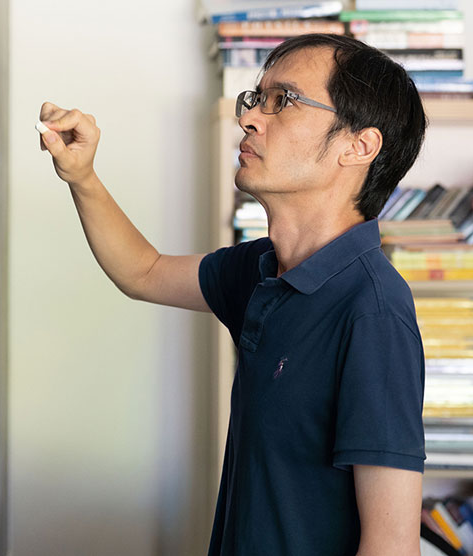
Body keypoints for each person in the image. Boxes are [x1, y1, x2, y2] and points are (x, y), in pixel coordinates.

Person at [38, 33, 429, 555]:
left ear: (358, 146)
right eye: (257, 98)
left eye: (283, 101)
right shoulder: (262, 267)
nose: (249, 118)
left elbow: (392, 548)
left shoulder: (373, 313)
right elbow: (144, 271)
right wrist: (81, 176)